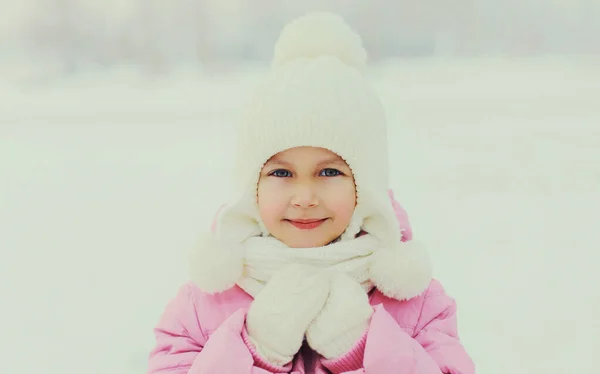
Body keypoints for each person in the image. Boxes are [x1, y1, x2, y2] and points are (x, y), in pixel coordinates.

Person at [147, 12, 475, 374]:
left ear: (366, 188)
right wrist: (259, 350)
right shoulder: (203, 304)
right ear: (251, 187)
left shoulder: (418, 304)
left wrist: (359, 347)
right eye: (281, 172)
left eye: (329, 171)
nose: (304, 197)